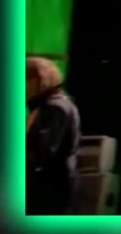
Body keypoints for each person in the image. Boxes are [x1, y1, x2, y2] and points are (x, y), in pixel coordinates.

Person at [26, 57, 81, 215]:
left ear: (37, 80)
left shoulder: (55, 108)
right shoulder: (51, 105)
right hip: (48, 189)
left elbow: (42, 153)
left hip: (48, 192)